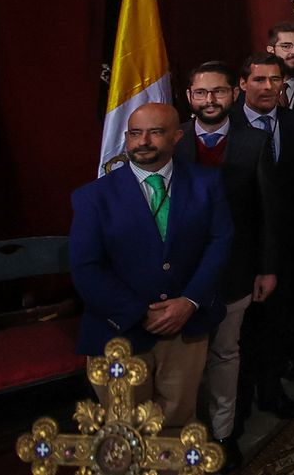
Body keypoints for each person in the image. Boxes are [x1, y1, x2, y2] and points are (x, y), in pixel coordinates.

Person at [69, 103, 232, 427]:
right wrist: (139, 313)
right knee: (125, 432)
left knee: (178, 424)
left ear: (176, 136)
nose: (143, 141)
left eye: (155, 132)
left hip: (186, 329)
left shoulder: (207, 182)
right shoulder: (92, 197)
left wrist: (189, 302)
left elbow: (220, 243)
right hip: (118, 332)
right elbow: (86, 267)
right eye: (135, 133)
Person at [174, 63, 281, 471]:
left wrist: (267, 268)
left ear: (233, 95)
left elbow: (269, 212)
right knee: (183, 360)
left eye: (218, 92)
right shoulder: (173, 139)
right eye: (201, 93)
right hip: (181, 273)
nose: (210, 101)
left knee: (226, 353)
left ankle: (223, 433)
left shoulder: (254, 141)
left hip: (236, 269)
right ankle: (185, 433)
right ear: (189, 97)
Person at [234, 53, 294, 418]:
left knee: (281, 323)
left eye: (275, 80)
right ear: (243, 84)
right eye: (259, 80)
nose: (268, 87)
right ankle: (236, 404)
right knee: (241, 332)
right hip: (241, 246)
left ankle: (271, 389)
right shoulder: (226, 126)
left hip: (291, 244)